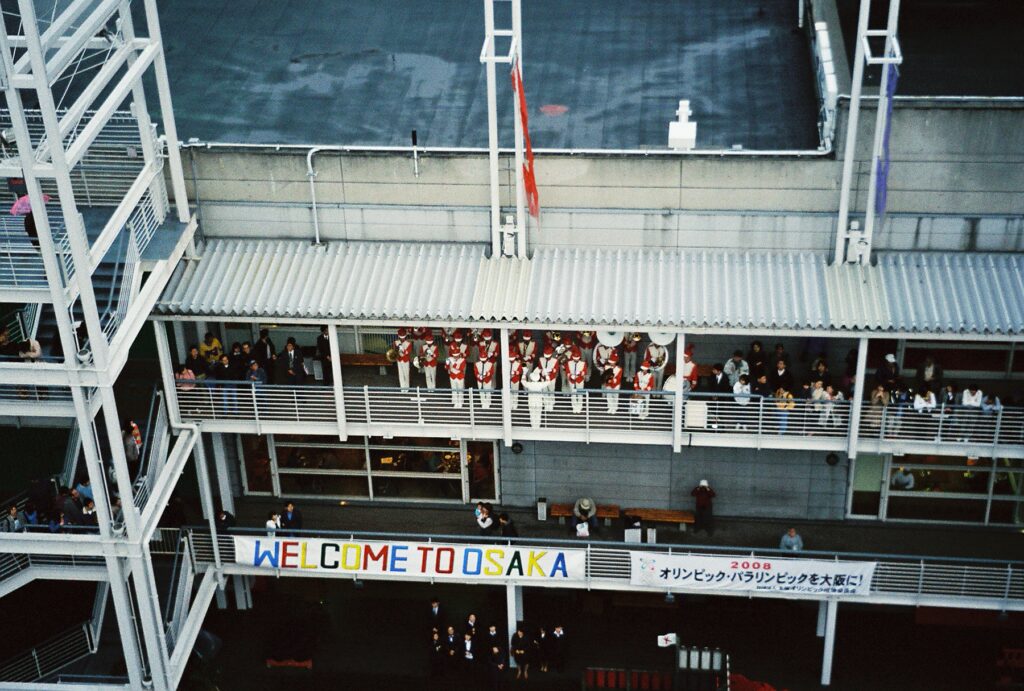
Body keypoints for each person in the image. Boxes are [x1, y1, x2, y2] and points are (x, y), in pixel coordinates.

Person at [564, 346, 587, 414]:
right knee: (573, 394)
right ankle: (574, 407)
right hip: (571, 380)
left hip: (580, 380)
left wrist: (578, 376)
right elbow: (567, 371)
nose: (576, 360)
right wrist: (571, 376)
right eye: (574, 358)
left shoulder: (583, 363)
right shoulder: (569, 363)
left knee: (580, 394)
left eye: (577, 358)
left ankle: (579, 407)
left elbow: (584, 372)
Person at [602, 349, 624, 413]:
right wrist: (606, 381)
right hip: (608, 383)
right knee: (609, 396)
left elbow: (618, 378)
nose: (611, 363)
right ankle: (610, 407)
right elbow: (605, 375)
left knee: (615, 396)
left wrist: (611, 380)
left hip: (616, 384)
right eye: (610, 362)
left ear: (615, 362)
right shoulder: (606, 367)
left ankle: (614, 408)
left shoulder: (619, 369)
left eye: (612, 362)